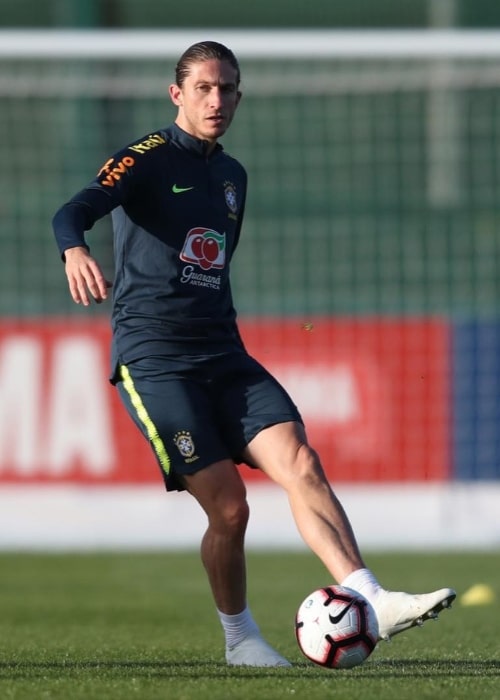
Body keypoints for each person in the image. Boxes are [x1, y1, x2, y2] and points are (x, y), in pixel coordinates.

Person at [52, 40, 456, 667]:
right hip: (155, 357)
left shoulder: (233, 176)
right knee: (231, 507)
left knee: (301, 460)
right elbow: (73, 209)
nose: (218, 101)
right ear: (176, 94)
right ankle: (240, 639)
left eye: (229, 89)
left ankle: (371, 595)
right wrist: (74, 248)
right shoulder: (145, 159)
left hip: (223, 352)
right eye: (205, 88)